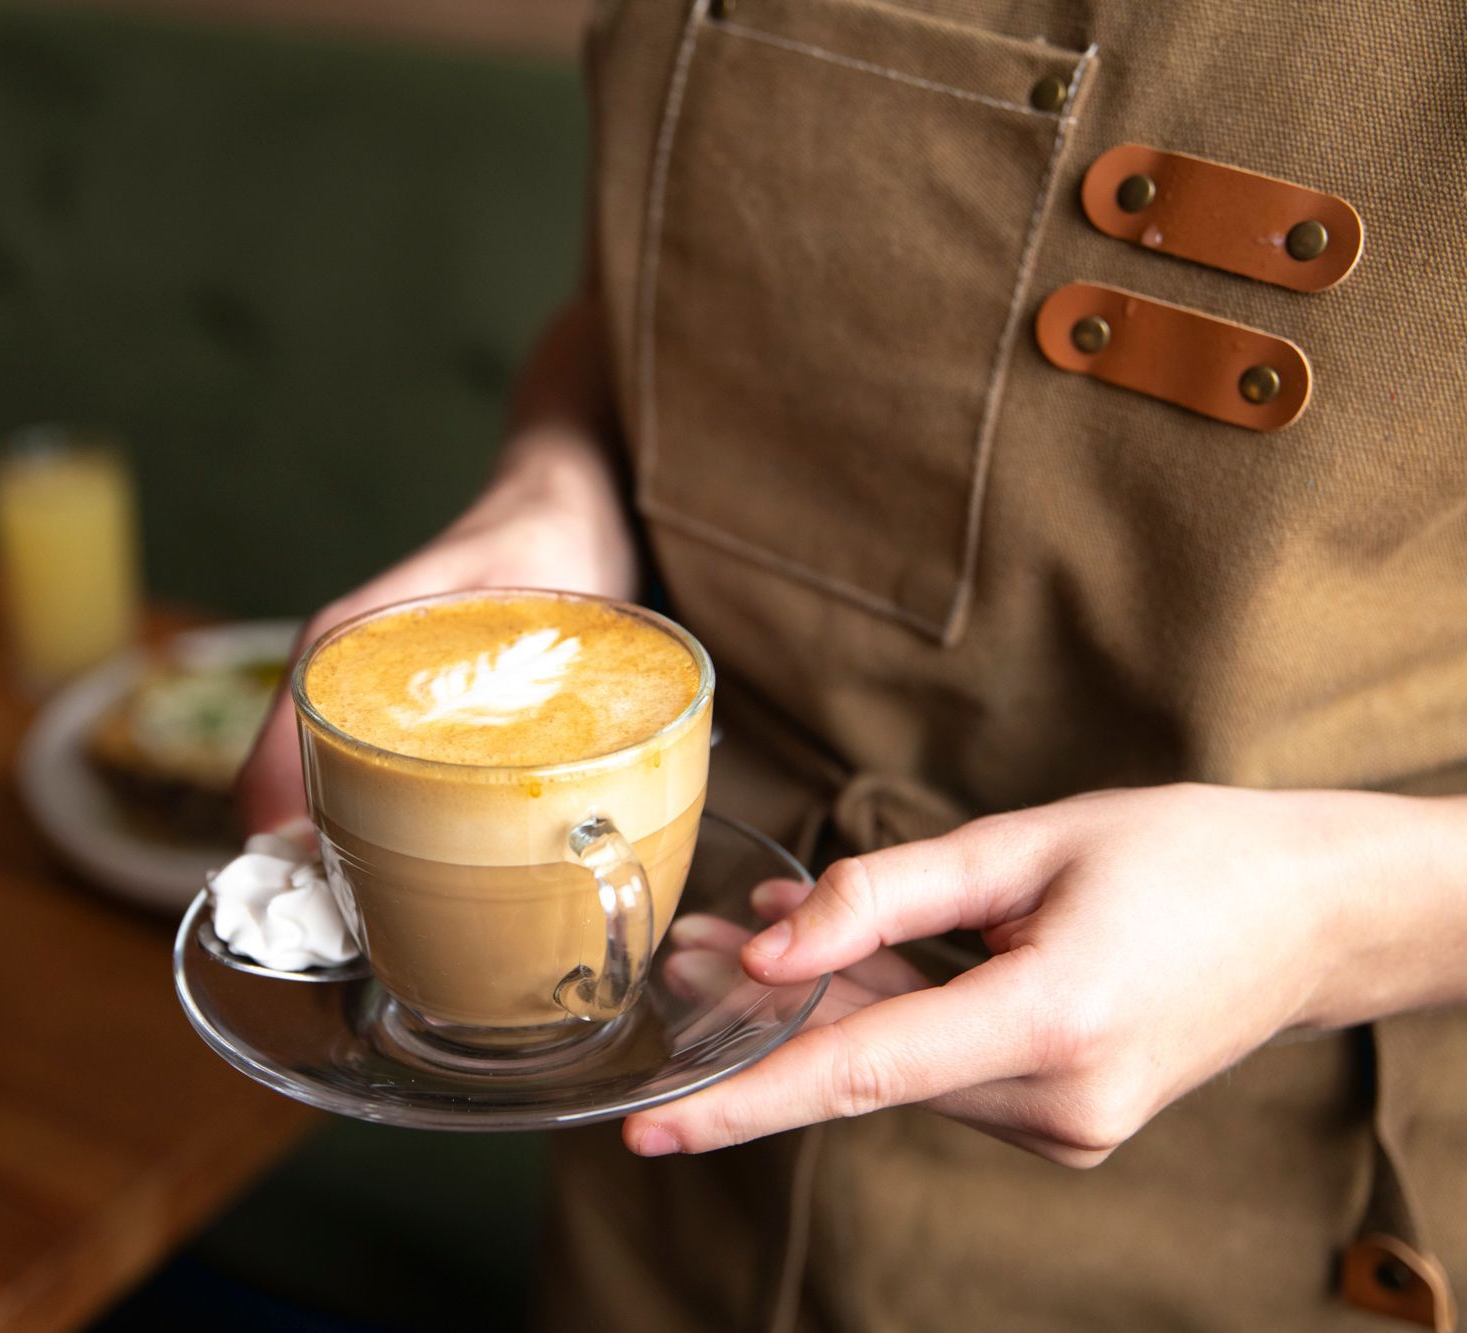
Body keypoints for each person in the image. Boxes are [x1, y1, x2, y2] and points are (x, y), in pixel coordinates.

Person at [238, 1, 1467, 1327]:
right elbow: (642, 297)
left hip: (1239, 1202)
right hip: (664, 1073)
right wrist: (558, 489)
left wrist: (1331, 924)